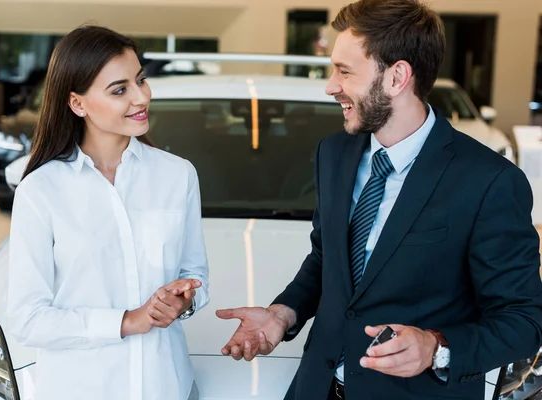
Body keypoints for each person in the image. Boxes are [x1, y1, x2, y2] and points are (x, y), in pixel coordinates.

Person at [216, 1, 542, 399]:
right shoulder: (333, 153)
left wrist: (437, 349)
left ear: (397, 76)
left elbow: (524, 322)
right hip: (317, 389)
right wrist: (282, 315)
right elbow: (326, 260)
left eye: (344, 70)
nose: (330, 85)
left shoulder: (489, 181)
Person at [7, 25, 208, 400]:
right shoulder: (41, 190)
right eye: (120, 90)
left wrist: (184, 299)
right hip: (80, 389)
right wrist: (127, 322)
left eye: (141, 80)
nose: (141, 97)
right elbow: (27, 318)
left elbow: (194, 273)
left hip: (168, 387)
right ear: (78, 103)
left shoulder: (177, 174)